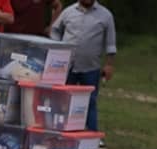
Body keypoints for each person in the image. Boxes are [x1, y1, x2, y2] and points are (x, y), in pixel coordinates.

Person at [50, 0, 117, 141]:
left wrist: (109, 64)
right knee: (62, 100)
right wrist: (58, 47)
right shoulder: (68, 12)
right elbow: (55, 30)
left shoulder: (106, 15)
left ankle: (91, 136)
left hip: (91, 67)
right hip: (67, 66)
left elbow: (111, 43)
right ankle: (59, 133)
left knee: (90, 101)